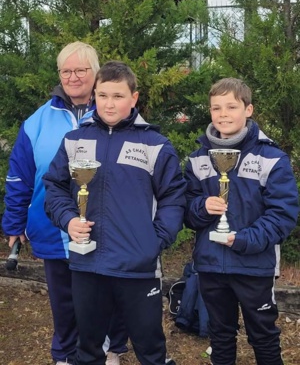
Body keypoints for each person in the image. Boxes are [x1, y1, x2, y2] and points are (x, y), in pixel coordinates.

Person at [43, 60, 186, 365]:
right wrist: (68, 220)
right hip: (87, 263)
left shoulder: (155, 144)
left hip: (138, 267)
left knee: (150, 348)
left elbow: (174, 197)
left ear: (134, 97)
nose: (109, 103)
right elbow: (54, 188)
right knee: (88, 348)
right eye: (103, 95)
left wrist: (154, 241)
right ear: (94, 96)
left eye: (118, 96)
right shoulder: (74, 140)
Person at [2, 42, 127, 365]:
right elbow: (19, 177)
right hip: (52, 226)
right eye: (66, 71)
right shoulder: (37, 122)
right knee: (64, 298)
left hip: (108, 227)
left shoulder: (113, 114)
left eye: (81, 70)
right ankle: (65, 354)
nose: (73, 77)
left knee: (108, 293)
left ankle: (110, 350)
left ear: (95, 72)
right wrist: (14, 224)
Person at [184, 77, 299, 365]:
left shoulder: (271, 157)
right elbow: (185, 209)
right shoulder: (198, 159)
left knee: (263, 334)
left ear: (248, 110)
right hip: (211, 265)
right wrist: (201, 206)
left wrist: (246, 239)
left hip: (254, 266)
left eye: (231, 107)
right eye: (216, 108)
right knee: (220, 335)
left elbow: (282, 214)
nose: (223, 114)